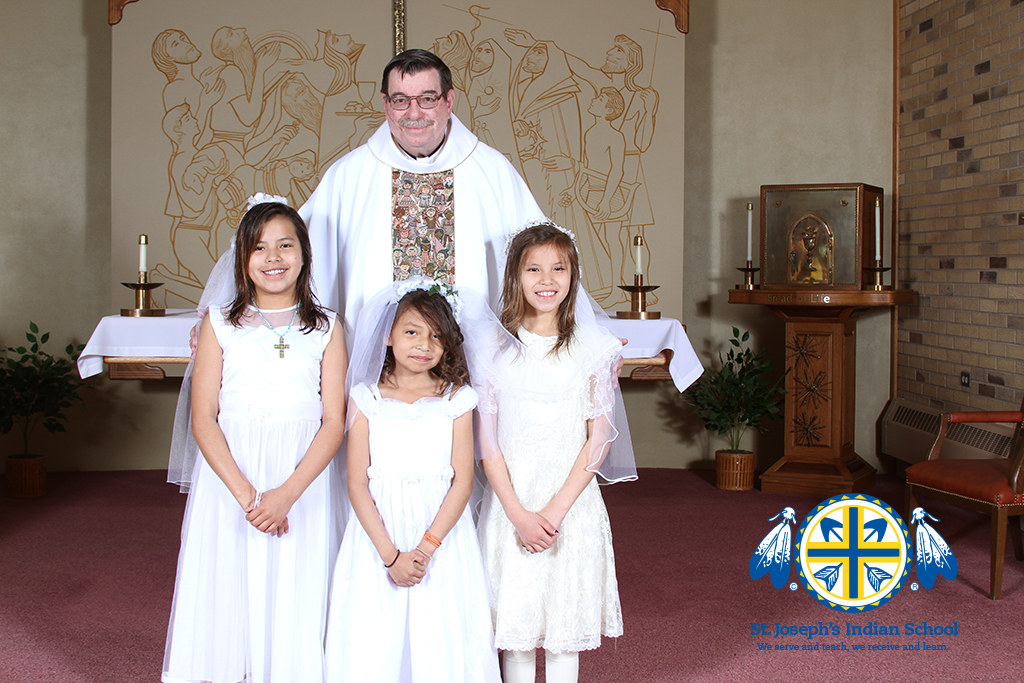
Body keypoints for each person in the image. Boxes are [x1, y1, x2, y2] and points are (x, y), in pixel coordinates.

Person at [197, 48, 544, 331]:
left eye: (427, 99)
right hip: (375, 362)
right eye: (400, 100)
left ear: (448, 101)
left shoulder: (492, 170)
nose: (414, 113)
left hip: (472, 351)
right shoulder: (351, 174)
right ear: (384, 103)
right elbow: (285, 247)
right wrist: (221, 311)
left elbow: (545, 258)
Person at [162, 197, 347, 683]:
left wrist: (284, 495)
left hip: (300, 477)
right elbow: (204, 418)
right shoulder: (219, 322)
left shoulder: (326, 327)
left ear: (304, 254)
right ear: (242, 259)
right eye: (260, 248)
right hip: (233, 474)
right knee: (229, 580)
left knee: (295, 582)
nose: (274, 258)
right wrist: (249, 498)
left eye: (286, 245)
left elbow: (334, 421)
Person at [475, 220, 635, 683]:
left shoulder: (595, 346)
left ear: (573, 275)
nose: (547, 281)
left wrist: (556, 511)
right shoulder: (491, 347)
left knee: (565, 628)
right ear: (514, 277)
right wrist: (519, 514)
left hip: (571, 503)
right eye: (534, 270)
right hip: (512, 501)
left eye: (558, 269)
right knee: (517, 628)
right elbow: (486, 441)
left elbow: (599, 437)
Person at [324, 279, 500, 683]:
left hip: (438, 534)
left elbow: (462, 482)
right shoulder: (366, 398)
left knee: (439, 629)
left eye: (436, 336)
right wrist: (390, 556)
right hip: (378, 534)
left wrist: (425, 549)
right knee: (376, 633)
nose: (424, 344)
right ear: (388, 336)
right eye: (412, 331)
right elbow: (356, 483)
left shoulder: (457, 399)